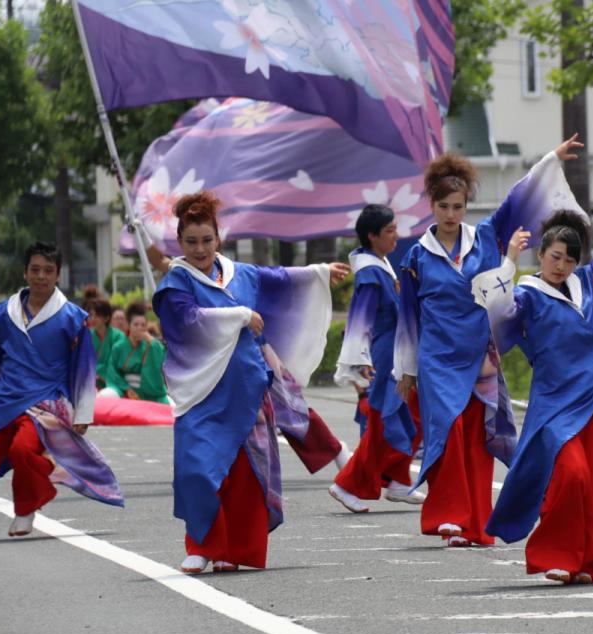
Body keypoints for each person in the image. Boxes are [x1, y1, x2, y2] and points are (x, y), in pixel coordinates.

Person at [394, 136, 586, 547]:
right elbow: (407, 318)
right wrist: (406, 369)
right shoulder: (416, 256)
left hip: (480, 354)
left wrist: (549, 159)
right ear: (430, 204)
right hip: (437, 358)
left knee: (477, 435)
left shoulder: (484, 237)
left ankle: (476, 523)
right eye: (443, 206)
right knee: (448, 430)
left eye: (458, 206)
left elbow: (519, 198)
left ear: (467, 206)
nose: (450, 214)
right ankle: (448, 516)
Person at [151, 192, 346, 574]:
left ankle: (234, 550)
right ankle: (202, 545)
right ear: (180, 242)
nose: (200, 248)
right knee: (197, 468)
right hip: (203, 391)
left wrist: (320, 273)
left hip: (247, 384)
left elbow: (280, 279)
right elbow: (188, 322)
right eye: (191, 242)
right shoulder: (175, 283)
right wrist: (239, 314)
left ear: (218, 238)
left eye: (207, 240)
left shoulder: (240, 273)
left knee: (246, 474)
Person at [473, 191, 593, 583]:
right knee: (570, 473)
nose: (562, 265)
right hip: (555, 400)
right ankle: (554, 554)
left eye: (569, 259)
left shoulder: (586, 284)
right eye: (555, 256)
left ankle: (586, 563)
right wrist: (509, 259)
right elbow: (497, 310)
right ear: (541, 254)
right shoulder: (525, 295)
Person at [0, 243, 123, 542]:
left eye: (48, 271)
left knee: (22, 450)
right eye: (35, 270)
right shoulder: (3, 313)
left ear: (58, 275)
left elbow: (84, 367)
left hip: (47, 401)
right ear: (25, 272)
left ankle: (27, 507)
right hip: (2, 398)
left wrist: (84, 411)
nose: (41, 276)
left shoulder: (72, 318)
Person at [330, 204, 424, 512]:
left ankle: (397, 479)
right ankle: (347, 484)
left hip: (397, 356)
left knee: (412, 417)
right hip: (384, 360)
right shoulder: (371, 273)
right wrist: (360, 362)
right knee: (385, 424)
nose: (396, 235)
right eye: (390, 231)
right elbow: (361, 321)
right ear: (372, 236)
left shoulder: (380, 265)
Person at [99, 301, 169, 404]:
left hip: (148, 391)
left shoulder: (152, 345)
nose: (139, 328)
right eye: (136, 324)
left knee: (171, 408)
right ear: (129, 325)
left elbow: (157, 370)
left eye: (143, 325)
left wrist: (151, 341)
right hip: (123, 388)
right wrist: (126, 388)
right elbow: (112, 372)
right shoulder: (118, 347)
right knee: (105, 396)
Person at [84, 297, 126, 391]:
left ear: (106, 318)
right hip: (91, 382)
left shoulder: (119, 337)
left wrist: (97, 372)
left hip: (115, 382)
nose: (93, 319)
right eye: (91, 315)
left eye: (97, 316)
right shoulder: (87, 336)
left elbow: (117, 364)